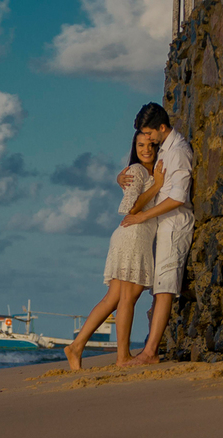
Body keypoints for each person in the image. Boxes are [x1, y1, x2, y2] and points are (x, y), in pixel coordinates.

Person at [63, 132, 164, 370]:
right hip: (133, 236)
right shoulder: (137, 171)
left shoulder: (148, 170)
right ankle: (123, 357)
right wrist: (157, 185)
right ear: (134, 147)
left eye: (150, 145)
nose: (146, 149)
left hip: (133, 236)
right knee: (127, 298)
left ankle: (76, 347)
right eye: (140, 145)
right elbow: (130, 206)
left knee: (114, 299)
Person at [117, 102, 194, 365]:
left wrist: (141, 216)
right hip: (161, 226)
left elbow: (178, 198)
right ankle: (149, 350)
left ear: (162, 128)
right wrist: (122, 178)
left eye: (149, 133)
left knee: (164, 288)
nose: (146, 139)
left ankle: (149, 352)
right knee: (158, 287)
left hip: (174, 224)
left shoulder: (179, 152)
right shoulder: (165, 149)